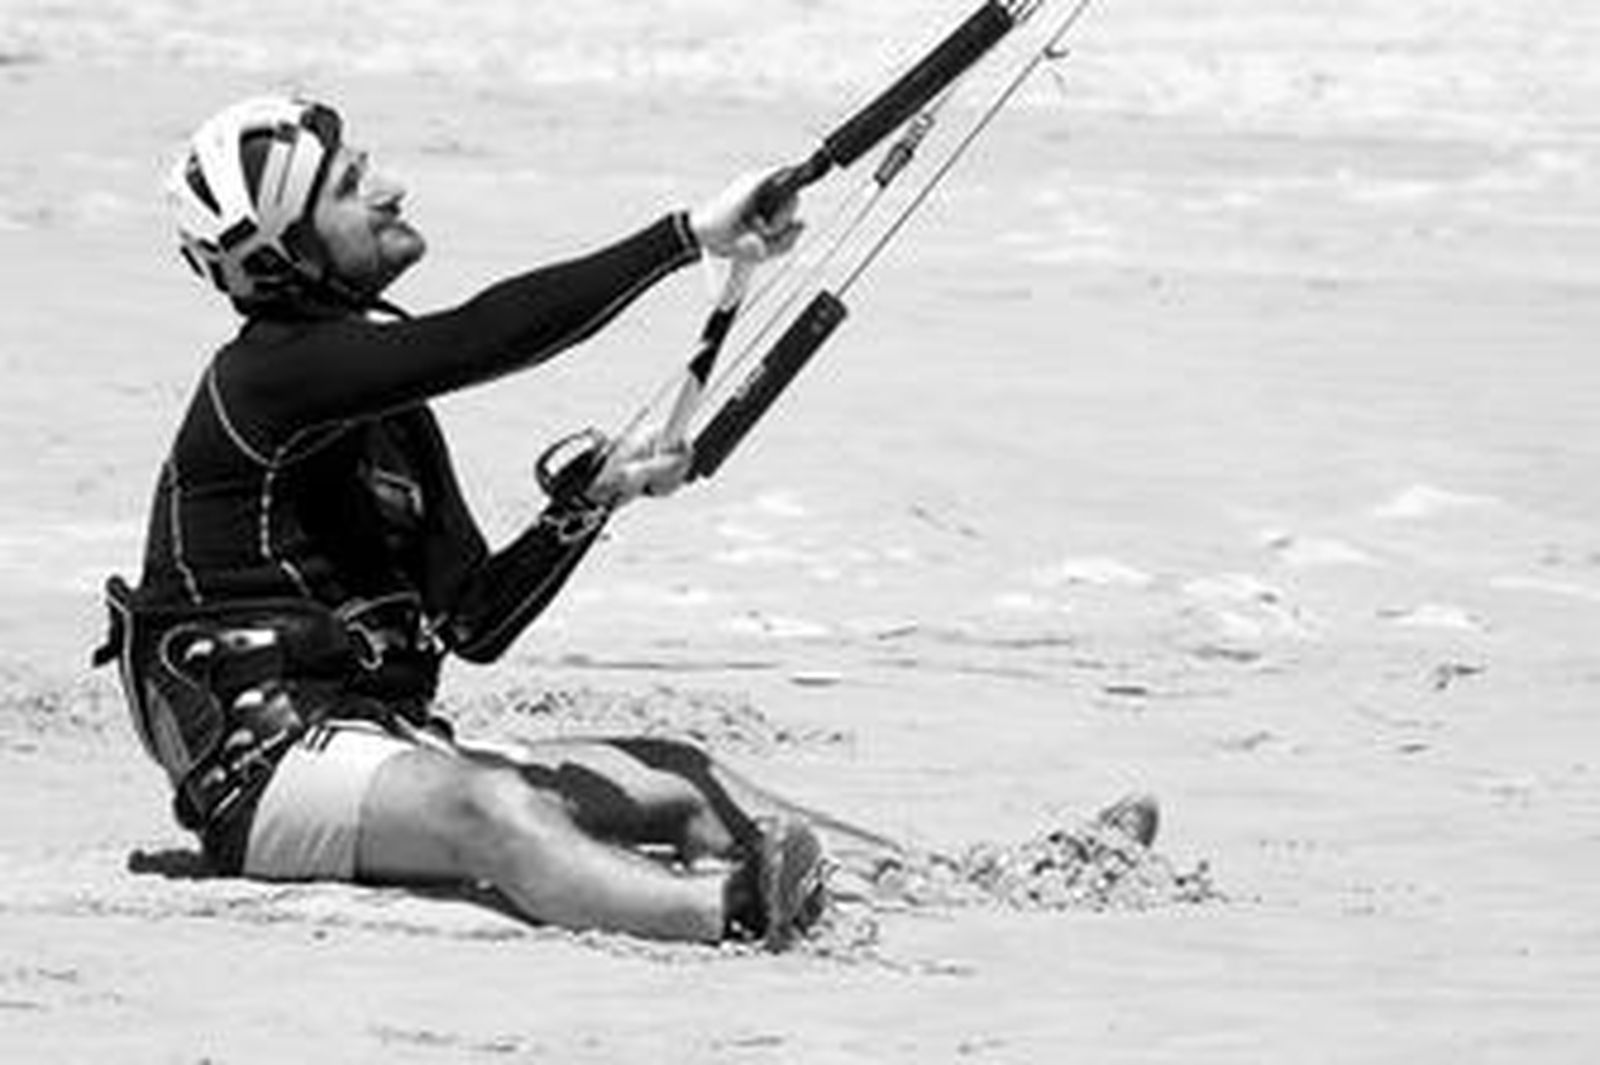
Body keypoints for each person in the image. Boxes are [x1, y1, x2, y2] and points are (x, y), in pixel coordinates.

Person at [92, 94, 836, 949]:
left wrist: (589, 502)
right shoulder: (263, 381)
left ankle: (894, 878)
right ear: (287, 253)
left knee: (677, 777)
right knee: (496, 808)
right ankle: (735, 913)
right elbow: (482, 337)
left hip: (386, 745)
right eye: (349, 184)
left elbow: (474, 619)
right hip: (265, 774)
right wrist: (681, 238)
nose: (391, 187)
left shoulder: (386, 413)